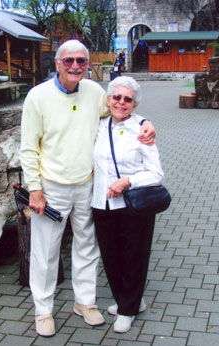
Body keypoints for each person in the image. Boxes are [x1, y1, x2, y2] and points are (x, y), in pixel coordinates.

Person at [20, 40, 156, 337]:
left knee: (87, 247)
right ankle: (43, 310)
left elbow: (120, 112)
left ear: (88, 63)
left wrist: (145, 122)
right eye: (68, 60)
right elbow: (28, 148)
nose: (75, 66)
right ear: (57, 63)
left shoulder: (95, 92)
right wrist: (34, 189)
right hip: (51, 187)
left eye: (81, 61)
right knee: (45, 252)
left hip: (87, 186)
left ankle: (84, 302)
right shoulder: (37, 97)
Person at [91, 76, 164, 334]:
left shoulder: (142, 131)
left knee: (134, 255)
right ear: (109, 99)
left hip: (134, 205)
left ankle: (127, 309)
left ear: (134, 105)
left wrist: (128, 181)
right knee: (111, 256)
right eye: (116, 97)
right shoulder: (98, 124)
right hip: (101, 202)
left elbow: (156, 174)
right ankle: (130, 300)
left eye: (127, 99)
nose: (121, 102)